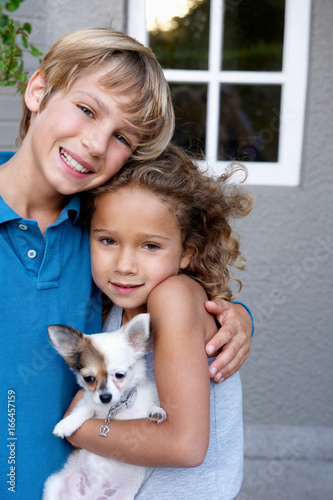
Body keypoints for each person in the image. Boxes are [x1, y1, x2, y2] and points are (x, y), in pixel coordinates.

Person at [0, 27, 252, 499]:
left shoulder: (98, 234)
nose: (96, 143)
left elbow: (169, 298)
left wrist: (232, 318)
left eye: (121, 137)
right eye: (87, 109)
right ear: (38, 90)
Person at [63, 143, 253, 499]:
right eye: (108, 240)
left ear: (186, 253)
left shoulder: (174, 297)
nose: (124, 265)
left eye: (150, 246)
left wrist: (80, 430)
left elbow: (184, 446)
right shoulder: (116, 311)